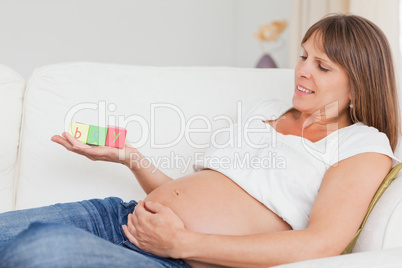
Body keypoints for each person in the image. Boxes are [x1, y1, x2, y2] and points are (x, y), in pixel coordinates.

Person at [0, 13, 400, 268]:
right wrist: (130, 158)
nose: (301, 71)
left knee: (40, 249)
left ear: (357, 85)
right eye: (302, 56)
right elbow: (191, 195)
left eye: (322, 65)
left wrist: (181, 244)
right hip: (118, 216)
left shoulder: (361, 145)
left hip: (177, 260)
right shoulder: (265, 111)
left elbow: (320, 244)